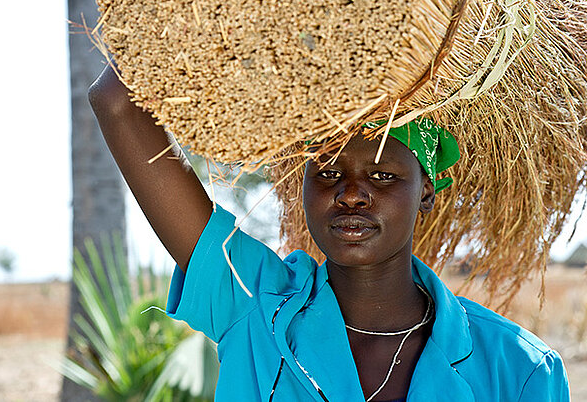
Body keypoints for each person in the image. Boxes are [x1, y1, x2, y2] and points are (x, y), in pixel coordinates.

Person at [90, 64, 570, 401]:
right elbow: (115, 103)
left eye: (383, 176)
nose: (352, 195)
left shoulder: (519, 368)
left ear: (426, 192)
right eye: (327, 172)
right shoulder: (254, 305)